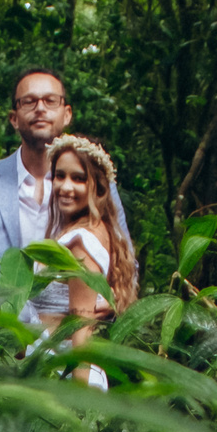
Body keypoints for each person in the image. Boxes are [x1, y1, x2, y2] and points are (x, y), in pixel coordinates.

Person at [0, 68, 133, 311]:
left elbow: (125, 261)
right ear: (14, 118)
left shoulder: (93, 185)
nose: (40, 108)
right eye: (29, 101)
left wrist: (114, 303)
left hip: (67, 335)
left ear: (67, 114)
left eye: (50, 100)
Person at [38, 133, 138, 389]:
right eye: (60, 176)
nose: (65, 186)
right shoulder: (91, 230)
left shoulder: (81, 242)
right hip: (50, 369)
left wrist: (81, 407)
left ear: (98, 186)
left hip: (67, 373)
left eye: (78, 178)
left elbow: (80, 331)